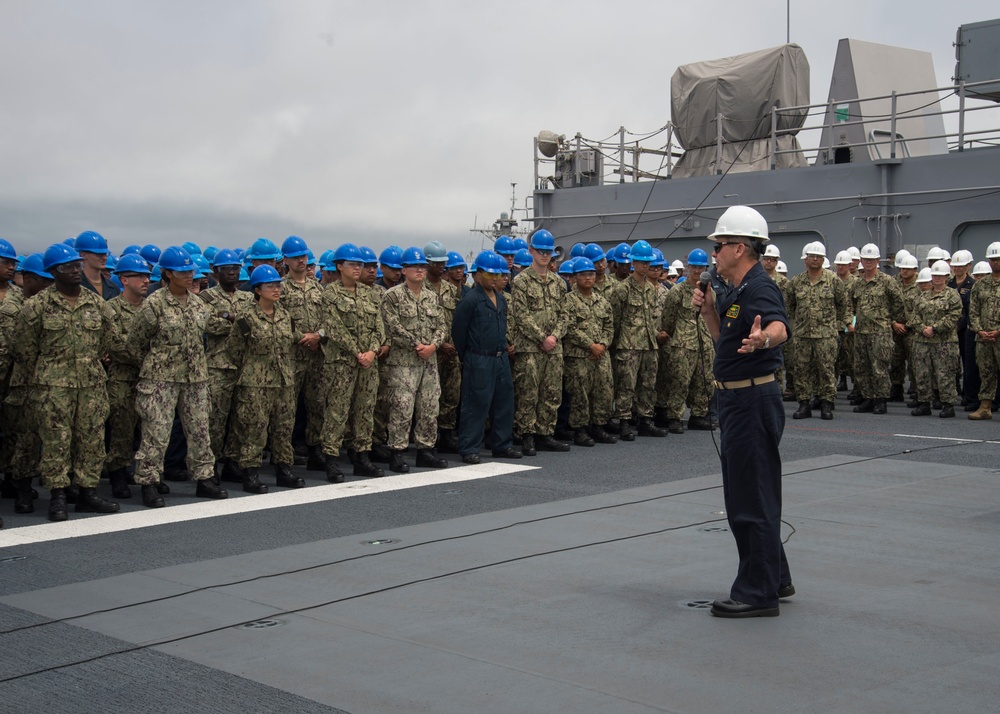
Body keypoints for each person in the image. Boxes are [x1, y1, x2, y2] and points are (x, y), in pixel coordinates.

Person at [691, 206, 793, 618]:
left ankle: (757, 593)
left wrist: (763, 341)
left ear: (738, 247)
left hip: (751, 401)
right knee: (750, 492)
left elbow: (779, 327)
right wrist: (710, 309)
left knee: (750, 497)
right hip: (737, 400)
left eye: (719, 245)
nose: (713, 253)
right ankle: (775, 577)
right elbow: (723, 341)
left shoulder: (758, 288)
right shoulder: (734, 288)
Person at [13, 243, 122, 521]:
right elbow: (25, 350)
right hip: (53, 385)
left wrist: (90, 362)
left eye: (76, 265)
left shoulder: (96, 303)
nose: (75, 271)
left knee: (92, 439)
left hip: (91, 384)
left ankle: (87, 492)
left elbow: (108, 339)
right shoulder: (36, 306)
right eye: (67, 267)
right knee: (55, 441)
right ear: (53, 272)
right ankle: (58, 496)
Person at [128, 246, 228, 506]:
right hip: (161, 379)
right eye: (183, 271)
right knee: (156, 432)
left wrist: (230, 318)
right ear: (168, 274)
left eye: (191, 271)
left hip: (195, 378)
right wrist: (154, 366)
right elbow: (136, 342)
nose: (190, 275)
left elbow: (211, 327)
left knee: (199, 430)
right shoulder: (155, 303)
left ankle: (204, 478)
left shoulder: (198, 303)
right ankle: (149, 481)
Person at [226, 265, 305, 492]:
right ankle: (250, 472)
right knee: (254, 429)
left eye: (278, 284)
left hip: (284, 380)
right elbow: (234, 350)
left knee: (284, 427)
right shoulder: (246, 318)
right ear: (258, 289)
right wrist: (252, 368)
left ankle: (283, 469)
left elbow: (290, 341)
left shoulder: (284, 315)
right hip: (255, 383)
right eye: (271, 285)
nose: (277, 289)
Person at [317, 243, 385, 481]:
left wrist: (372, 351)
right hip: (341, 363)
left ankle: (362, 457)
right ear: (339, 266)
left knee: (365, 409)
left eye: (360, 264)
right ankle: (331, 459)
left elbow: (379, 326)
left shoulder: (370, 293)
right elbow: (333, 327)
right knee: (337, 411)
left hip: (368, 362)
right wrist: (358, 352)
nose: (358, 268)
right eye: (353, 264)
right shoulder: (329, 294)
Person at [381, 247, 449, 473]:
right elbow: (392, 326)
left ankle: (425, 450)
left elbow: (442, 325)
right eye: (414, 267)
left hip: (428, 363)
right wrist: (416, 344)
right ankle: (397, 452)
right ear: (404, 270)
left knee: (430, 406)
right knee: (402, 408)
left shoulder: (431, 296)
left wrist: (433, 346)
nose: (419, 270)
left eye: (422, 267)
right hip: (403, 363)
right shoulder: (392, 296)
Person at [451, 251, 521, 463]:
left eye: (497, 275)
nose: (495, 278)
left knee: (504, 402)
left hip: (500, 358)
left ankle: (502, 444)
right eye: (490, 274)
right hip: (479, 358)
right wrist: (470, 357)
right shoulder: (470, 300)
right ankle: (469, 447)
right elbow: (458, 333)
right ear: (478, 274)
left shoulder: (501, 298)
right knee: (476, 403)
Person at [509, 229, 571, 456]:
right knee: (528, 392)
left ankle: (546, 433)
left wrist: (554, 337)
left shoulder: (559, 283)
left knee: (552, 392)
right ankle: (527, 435)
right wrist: (542, 338)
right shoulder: (521, 282)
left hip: (554, 348)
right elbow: (521, 315)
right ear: (531, 251)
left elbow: (565, 315)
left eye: (549, 252)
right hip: (530, 348)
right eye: (541, 251)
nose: (545, 256)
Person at [784, 242, 849, 420]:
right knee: (802, 370)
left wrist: (837, 326)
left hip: (826, 335)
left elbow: (843, 305)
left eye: (818, 257)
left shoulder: (833, 280)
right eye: (812, 256)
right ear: (806, 259)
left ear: (823, 259)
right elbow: (790, 305)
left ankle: (826, 403)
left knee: (826, 369)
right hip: (803, 335)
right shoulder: (796, 282)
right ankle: (804, 403)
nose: (814, 259)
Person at [561, 256, 617, 446]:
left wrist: (601, 344)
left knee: (603, 391)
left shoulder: (602, 302)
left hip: (601, 355)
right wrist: (589, 345)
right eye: (583, 275)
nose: (588, 278)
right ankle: (580, 429)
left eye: (591, 274)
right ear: (575, 277)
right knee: (580, 394)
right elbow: (568, 327)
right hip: (578, 356)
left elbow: (609, 327)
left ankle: (598, 426)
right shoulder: (567, 301)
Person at [849, 243, 906, 414]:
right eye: (865, 259)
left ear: (877, 261)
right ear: (861, 261)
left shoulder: (887, 281)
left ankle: (881, 400)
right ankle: (868, 398)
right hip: (861, 332)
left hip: (880, 332)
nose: (868, 263)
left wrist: (890, 321)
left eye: (871, 259)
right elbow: (851, 305)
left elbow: (898, 303)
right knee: (862, 367)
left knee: (879, 367)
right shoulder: (857, 284)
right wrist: (851, 323)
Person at [908, 261, 962, 417]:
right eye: (934, 276)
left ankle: (948, 404)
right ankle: (924, 403)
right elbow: (913, 315)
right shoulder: (923, 295)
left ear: (946, 276)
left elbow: (954, 315)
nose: (937, 278)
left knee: (944, 373)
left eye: (940, 276)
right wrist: (922, 328)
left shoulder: (952, 294)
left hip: (944, 342)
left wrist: (935, 328)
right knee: (922, 373)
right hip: (922, 341)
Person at [967, 242, 1000, 420]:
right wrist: (979, 330)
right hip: (983, 338)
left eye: (998, 259)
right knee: (986, 373)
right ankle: (985, 407)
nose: (995, 263)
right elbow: (973, 311)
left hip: (999, 336)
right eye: (992, 259)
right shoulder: (980, 285)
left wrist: (998, 331)